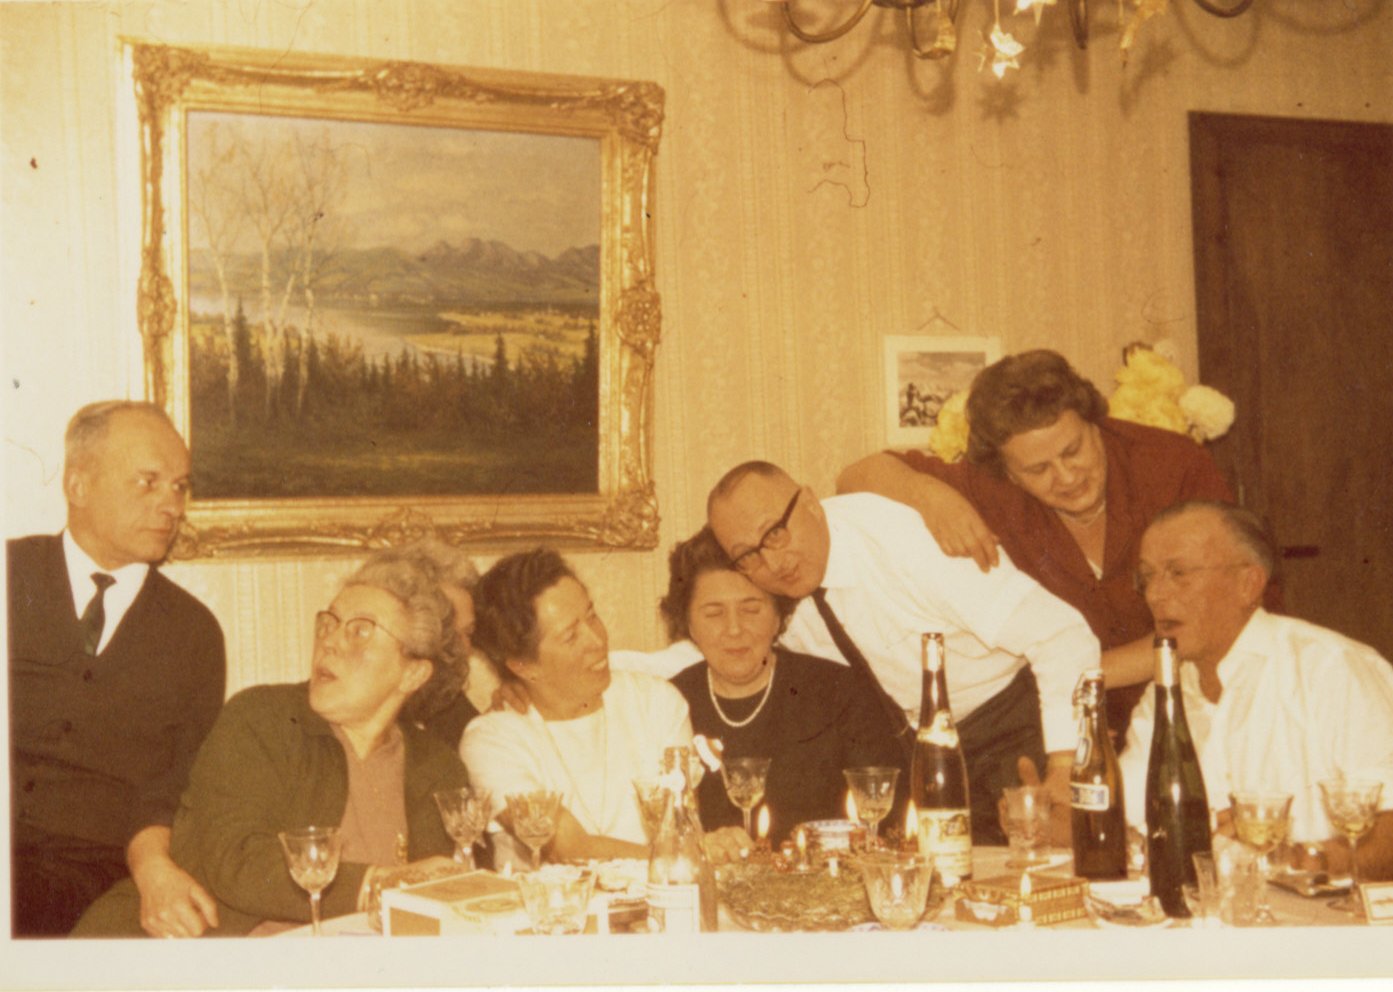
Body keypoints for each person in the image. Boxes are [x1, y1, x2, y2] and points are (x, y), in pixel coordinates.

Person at [837, 349, 1234, 735]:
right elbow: (856, 476)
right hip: (1073, 723)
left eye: (1073, 450)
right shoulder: (991, 487)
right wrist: (929, 495)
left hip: (1200, 708)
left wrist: (1073, 671)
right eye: (1038, 469)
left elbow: (1214, 616)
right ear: (1008, 472)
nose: (1067, 477)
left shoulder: (1172, 465)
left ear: (1094, 423)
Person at [73, 551, 469, 936]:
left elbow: (438, 900)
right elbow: (238, 861)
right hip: (205, 952)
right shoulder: (263, 718)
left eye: (360, 631)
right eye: (328, 623)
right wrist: (376, 884)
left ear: (413, 674)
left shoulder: (437, 767)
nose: (330, 642)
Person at [706, 461, 1099, 844]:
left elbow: (1062, 635)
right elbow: (718, 639)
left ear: (810, 503)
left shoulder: (903, 540)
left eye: (775, 533)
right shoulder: (768, 593)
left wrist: (1065, 765)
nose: (774, 562)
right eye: (747, 554)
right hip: (917, 760)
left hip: (1014, 730)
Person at [8, 401, 226, 938]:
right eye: (148, 482)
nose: (171, 506)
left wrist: (153, 869)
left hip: (101, 878)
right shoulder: (11, 576)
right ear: (78, 485)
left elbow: (178, 783)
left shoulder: (193, 633)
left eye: (179, 487)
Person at [1118, 501, 1393, 879]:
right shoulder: (1164, 694)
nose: (1155, 594)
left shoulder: (1330, 669)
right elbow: (1126, 818)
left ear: (1248, 583)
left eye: (1178, 573)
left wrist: (1297, 859)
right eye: (1147, 577)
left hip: (1328, 913)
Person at [461, 548, 749, 864]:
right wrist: (679, 857)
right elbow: (566, 847)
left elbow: (679, 825)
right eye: (571, 636)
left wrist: (692, 851)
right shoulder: (492, 740)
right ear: (523, 666)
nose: (597, 640)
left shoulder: (656, 702)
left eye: (592, 616)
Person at [661, 527, 907, 845]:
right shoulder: (666, 704)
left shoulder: (838, 692)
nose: (734, 629)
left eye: (751, 609)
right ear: (689, 623)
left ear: (779, 616)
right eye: (714, 613)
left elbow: (890, 821)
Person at [370, 539, 482, 748]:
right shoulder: (354, 704)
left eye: (467, 633)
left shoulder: (452, 706)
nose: (460, 649)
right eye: (446, 632)